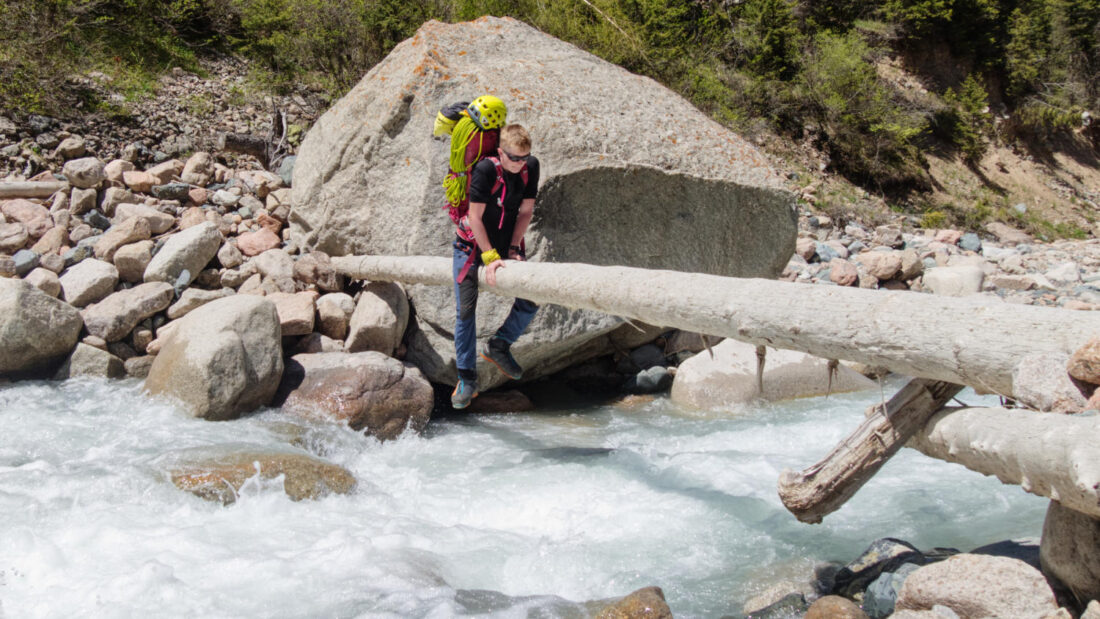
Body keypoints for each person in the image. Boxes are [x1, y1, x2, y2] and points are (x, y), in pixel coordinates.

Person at [451, 123, 540, 409]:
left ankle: (499, 345)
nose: (518, 164)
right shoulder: (486, 170)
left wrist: (513, 248)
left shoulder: (530, 167)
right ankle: (466, 379)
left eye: (523, 158)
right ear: (501, 152)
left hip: (506, 242)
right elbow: (475, 217)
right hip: (472, 245)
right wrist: (489, 256)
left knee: (532, 297)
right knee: (465, 311)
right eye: (513, 158)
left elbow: (525, 211)